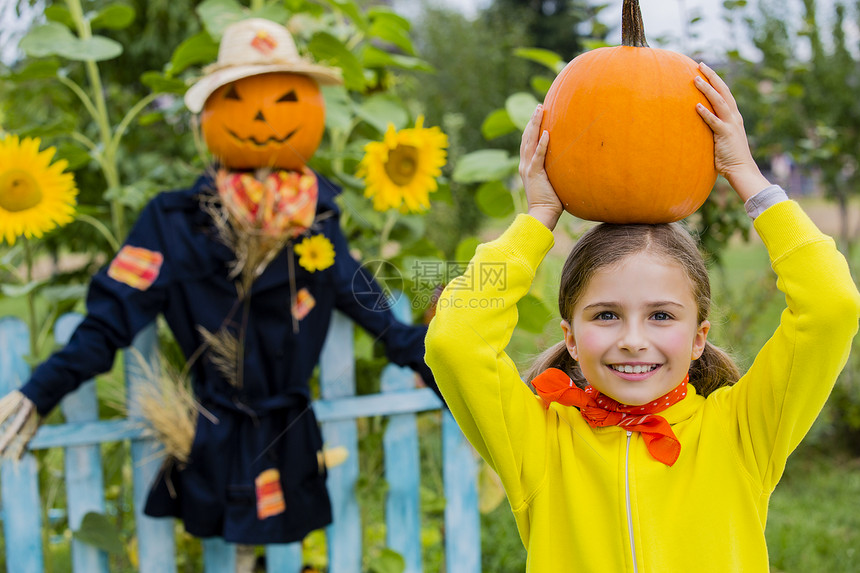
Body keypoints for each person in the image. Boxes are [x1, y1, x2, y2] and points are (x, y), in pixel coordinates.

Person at [0, 19, 440, 547]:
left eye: (286, 96)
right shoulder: (174, 221)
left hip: (287, 438)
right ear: (208, 112)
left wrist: (459, 375)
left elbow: (376, 314)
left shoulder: (317, 222)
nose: (262, 115)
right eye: (236, 96)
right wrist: (39, 390)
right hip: (215, 440)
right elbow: (110, 318)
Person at [424, 62, 860, 571]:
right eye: (606, 315)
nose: (633, 339)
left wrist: (750, 181)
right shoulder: (539, 442)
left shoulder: (743, 431)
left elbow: (833, 306)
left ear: (699, 338)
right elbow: (453, 339)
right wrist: (537, 217)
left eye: (661, 316)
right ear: (569, 335)